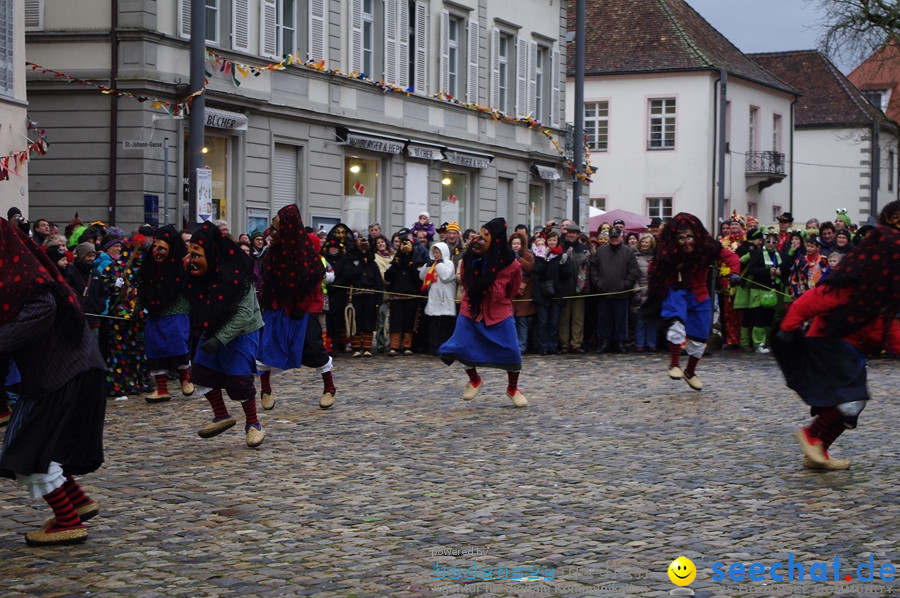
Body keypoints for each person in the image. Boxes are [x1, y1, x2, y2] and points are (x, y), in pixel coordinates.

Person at [0, 218, 106, 546]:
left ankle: (67, 521)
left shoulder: (26, 279)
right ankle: (78, 502)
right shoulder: (23, 273)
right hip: (69, 371)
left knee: (25, 452)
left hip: (59, 376)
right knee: (47, 447)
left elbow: (40, 310)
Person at [773, 201, 900, 470]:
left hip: (853, 348)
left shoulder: (883, 296)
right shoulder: (853, 284)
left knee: (852, 406)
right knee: (849, 398)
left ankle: (818, 451)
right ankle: (811, 436)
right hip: (830, 340)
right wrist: (789, 327)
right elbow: (815, 298)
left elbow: (890, 327)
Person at [184, 221, 266, 448]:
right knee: (201, 372)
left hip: (242, 331)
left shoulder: (237, 274)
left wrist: (220, 339)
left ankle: (253, 424)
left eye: (196, 253)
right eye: (190, 253)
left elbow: (244, 314)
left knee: (238, 379)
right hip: (213, 328)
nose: (192, 258)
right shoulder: (199, 274)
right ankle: (221, 414)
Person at [643, 213, 740, 391]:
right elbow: (654, 267)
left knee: (699, 338)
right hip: (677, 290)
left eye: (689, 237)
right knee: (676, 326)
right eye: (681, 238)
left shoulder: (707, 247)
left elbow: (731, 257)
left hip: (700, 294)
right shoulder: (668, 251)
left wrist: (735, 272)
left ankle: (690, 371)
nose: (686, 242)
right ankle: (674, 364)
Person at [438, 217, 527, 407]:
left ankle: (512, 389)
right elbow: (466, 280)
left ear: (495, 239)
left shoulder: (511, 263)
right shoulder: (470, 256)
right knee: (459, 346)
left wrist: (498, 297)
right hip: (471, 308)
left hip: (499, 310)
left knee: (512, 350)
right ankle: (474, 379)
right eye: (480, 233)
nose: (479, 238)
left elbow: (513, 289)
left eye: (485, 235)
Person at [256, 205, 335, 410]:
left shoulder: (306, 253)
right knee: (267, 346)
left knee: (313, 347)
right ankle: (265, 389)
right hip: (278, 305)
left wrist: (300, 305)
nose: (271, 233)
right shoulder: (272, 252)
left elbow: (313, 281)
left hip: (303, 306)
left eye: (275, 229)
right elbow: (267, 280)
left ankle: (329, 387)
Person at [137, 225, 194, 403]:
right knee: (155, 346)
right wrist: (137, 308)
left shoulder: (183, 264)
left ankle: (185, 378)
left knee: (177, 342)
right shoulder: (149, 265)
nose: (157, 252)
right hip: (154, 311)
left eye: (161, 248)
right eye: (155, 247)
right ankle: (162, 389)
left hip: (176, 308)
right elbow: (143, 287)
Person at [589, 225, 640, 353]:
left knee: (621, 320)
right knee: (603, 319)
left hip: (621, 293)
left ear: (621, 237)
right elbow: (593, 268)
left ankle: (620, 342)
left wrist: (626, 284)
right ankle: (604, 342)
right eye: (612, 237)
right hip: (603, 291)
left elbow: (634, 271)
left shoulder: (628, 252)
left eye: (616, 237)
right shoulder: (601, 251)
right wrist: (597, 282)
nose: (614, 239)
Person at [334, 235, 384, 357]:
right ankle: (356, 348)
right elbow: (348, 276)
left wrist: (379, 297)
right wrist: (361, 265)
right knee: (355, 321)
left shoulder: (372, 262)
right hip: (355, 295)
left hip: (370, 296)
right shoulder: (350, 260)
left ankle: (367, 348)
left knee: (368, 322)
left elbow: (378, 281)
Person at [385, 231, 425, 355]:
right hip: (396, 296)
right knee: (396, 321)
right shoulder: (396, 261)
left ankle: (407, 346)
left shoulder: (416, 261)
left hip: (411, 297)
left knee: (409, 321)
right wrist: (396, 265)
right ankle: (394, 346)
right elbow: (388, 277)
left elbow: (419, 278)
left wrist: (411, 266)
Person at [744, 229, 783, 353]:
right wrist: (767, 271)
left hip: (772, 290)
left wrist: (778, 272)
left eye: (774, 242)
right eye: (768, 241)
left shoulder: (778, 254)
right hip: (759, 290)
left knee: (769, 318)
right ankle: (758, 343)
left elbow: (784, 268)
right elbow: (752, 270)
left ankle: (767, 342)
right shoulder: (758, 253)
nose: (771, 244)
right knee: (759, 317)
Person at [532, 231, 570, 355]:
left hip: (557, 293)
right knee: (543, 322)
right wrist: (545, 261)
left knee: (554, 322)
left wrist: (564, 264)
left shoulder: (560, 255)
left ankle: (553, 346)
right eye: (550, 240)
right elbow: (537, 272)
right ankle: (543, 347)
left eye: (554, 240)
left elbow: (566, 275)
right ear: (546, 242)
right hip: (542, 293)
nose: (552, 242)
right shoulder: (539, 254)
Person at [420, 241, 458, 355]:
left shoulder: (449, 263)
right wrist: (426, 266)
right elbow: (422, 277)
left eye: (438, 252)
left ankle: (444, 348)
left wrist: (440, 264)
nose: (436, 255)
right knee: (434, 326)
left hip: (445, 299)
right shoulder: (433, 264)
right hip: (434, 299)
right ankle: (433, 347)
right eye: (435, 252)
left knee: (445, 327)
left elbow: (446, 276)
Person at [558, 222, 591, 354]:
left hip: (579, 287)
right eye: (569, 233)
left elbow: (588, 267)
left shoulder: (583, 247)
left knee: (578, 317)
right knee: (564, 318)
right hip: (565, 287)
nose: (571, 235)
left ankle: (576, 343)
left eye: (574, 233)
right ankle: (564, 343)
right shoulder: (561, 247)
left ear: (577, 235)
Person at [508, 231, 535, 353]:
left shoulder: (528, 255)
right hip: (511, 292)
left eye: (518, 243)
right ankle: (513, 345)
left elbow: (529, 268)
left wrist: (519, 259)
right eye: (514, 243)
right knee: (512, 321)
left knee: (522, 321)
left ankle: (522, 346)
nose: (516, 246)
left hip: (525, 292)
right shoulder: (507, 256)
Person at [632, 234, 658, 352]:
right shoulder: (635, 256)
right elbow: (633, 275)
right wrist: (636, 289)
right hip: (640, 289)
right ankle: (639, 343)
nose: (644, 244)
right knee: (640, 319)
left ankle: (651, 343)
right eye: (643, 242)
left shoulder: (655, 257)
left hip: (652, 290)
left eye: (646, 242)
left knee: (652, 319)